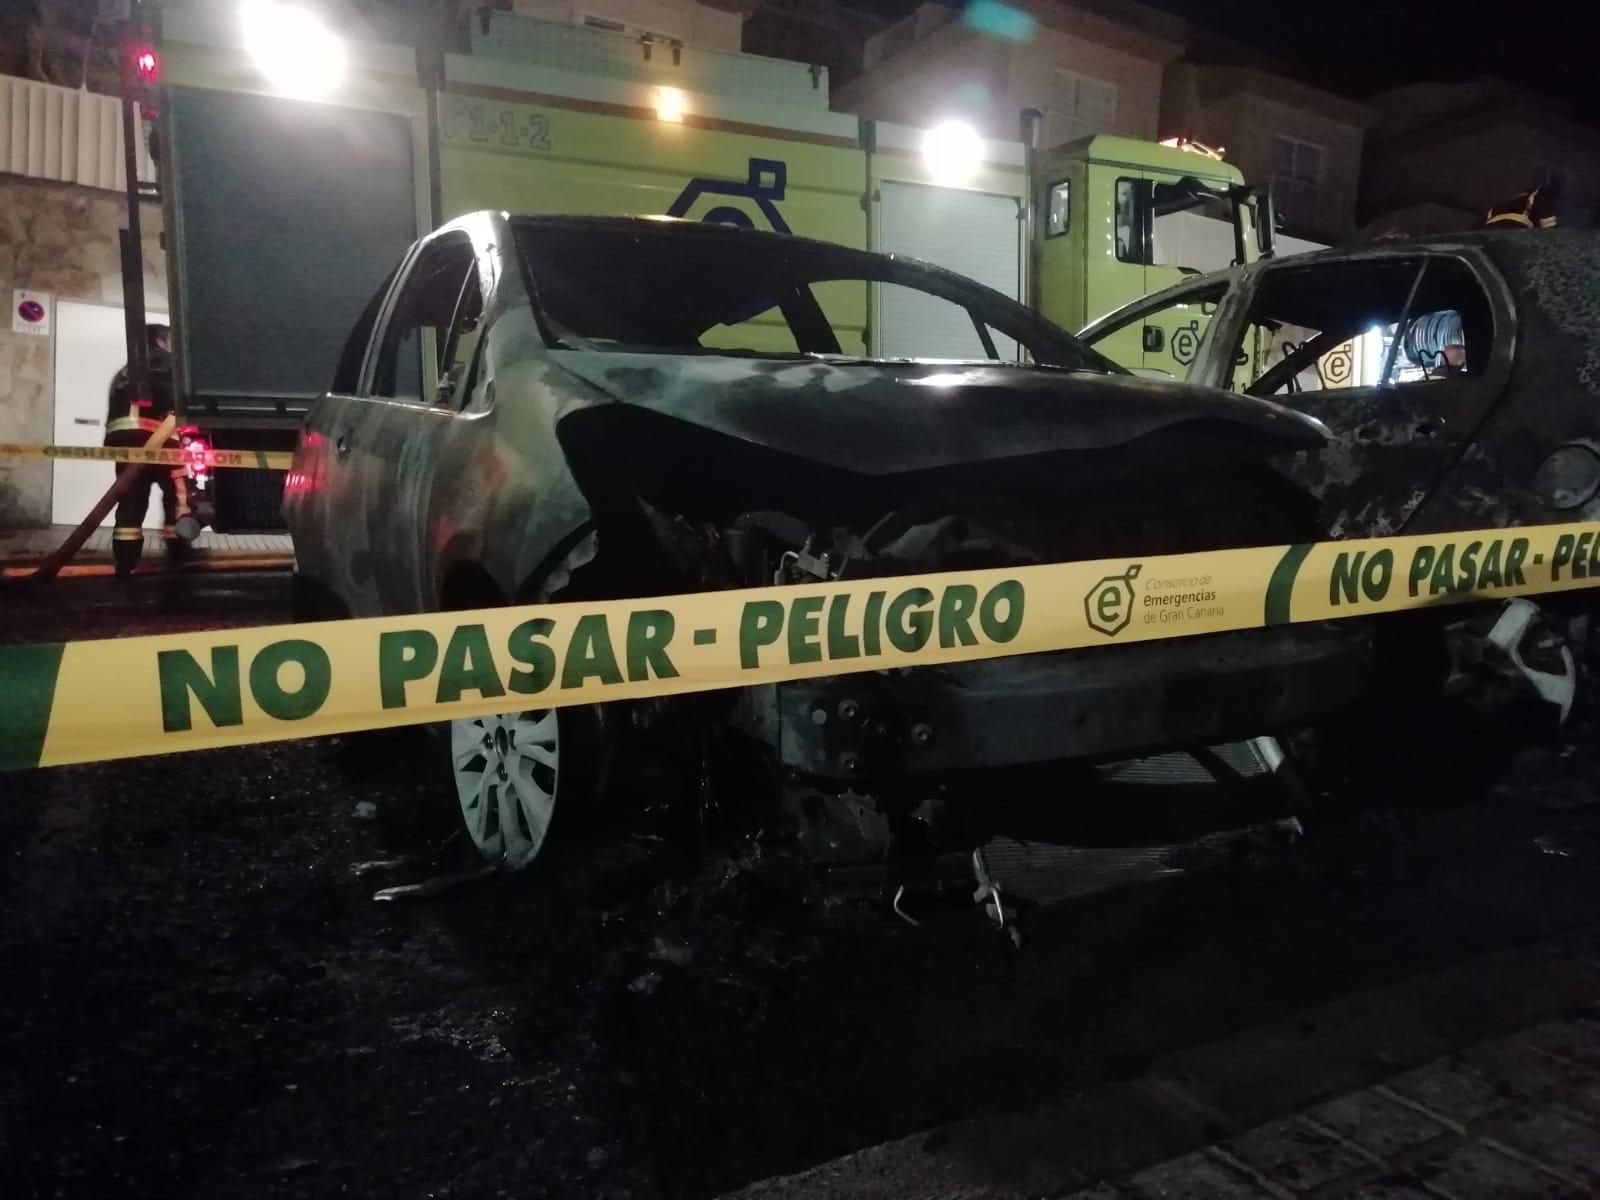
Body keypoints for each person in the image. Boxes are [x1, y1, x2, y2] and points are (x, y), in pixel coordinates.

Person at [104, 323, 191, 576]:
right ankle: (179, 552)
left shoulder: (126, 370)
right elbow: (179, 398)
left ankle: (125, 562)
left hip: (126, 443)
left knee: (131, 500)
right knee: (178, 496)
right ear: (160, 340)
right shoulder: (163, 361)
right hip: (157, 439)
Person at [1483, 183, 1560, 230]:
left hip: (1490, 232)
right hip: (1515, 231)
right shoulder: (1542, 197)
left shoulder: (1511, 202)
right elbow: (1550, 231)